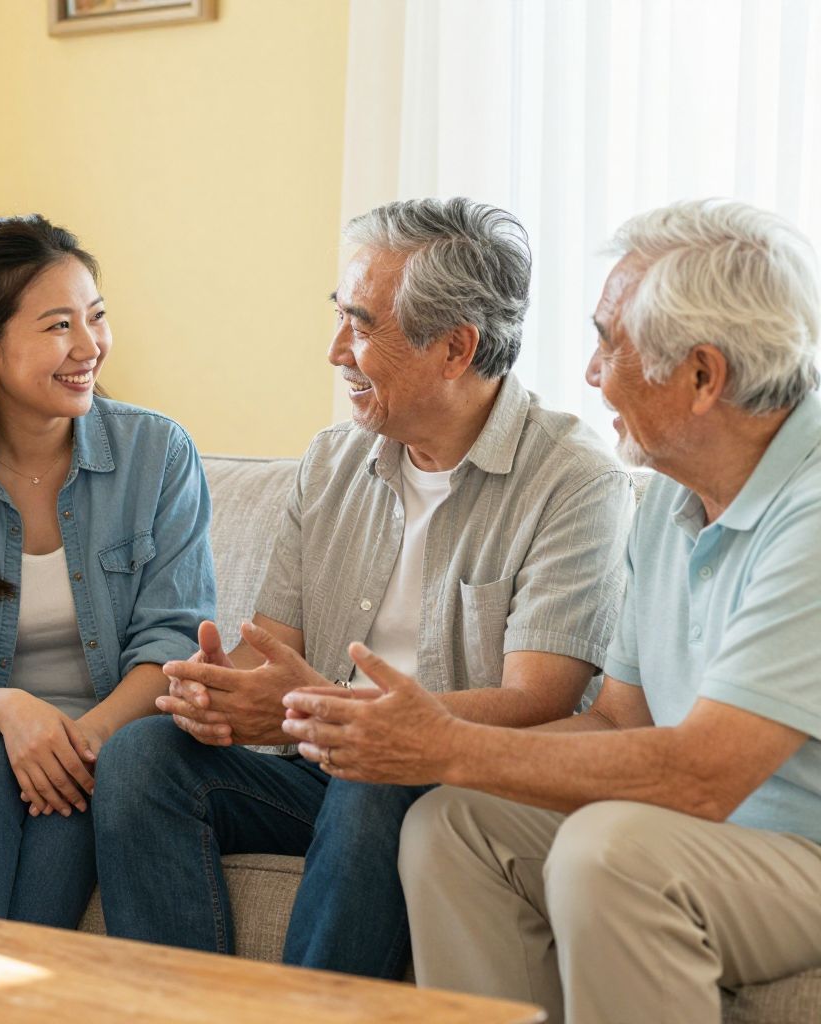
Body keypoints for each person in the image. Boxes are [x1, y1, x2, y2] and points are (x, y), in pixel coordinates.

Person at [284, 198, 821, 1024]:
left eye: (612, 344)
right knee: (449, 825)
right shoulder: (670, 500)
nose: (591, 373)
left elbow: (703, 774)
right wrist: (432, 749)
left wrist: (448, 741)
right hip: (706, 828)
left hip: (799, 847)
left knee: (609, 854)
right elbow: (616, 720)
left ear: (703, 376)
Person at [91, 198, 634, 978]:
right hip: (319, 766)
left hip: (449, 774)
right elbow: (273, 650)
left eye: (363, 325)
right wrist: (218, 692)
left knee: (375, 767)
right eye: (339, 317)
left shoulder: (573, 480)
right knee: (145, 757)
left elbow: (538, 699)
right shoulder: (333, 460)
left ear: (455, 349)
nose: (334, 349)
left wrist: (347, 720)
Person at [0, 214, 215, 927]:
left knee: (79, 793)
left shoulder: (157, 457)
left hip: (103, 746)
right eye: (58, 325)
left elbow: (172, 644)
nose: (89, 347)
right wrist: (14, 713)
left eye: (95, 317)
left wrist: (76, 742)